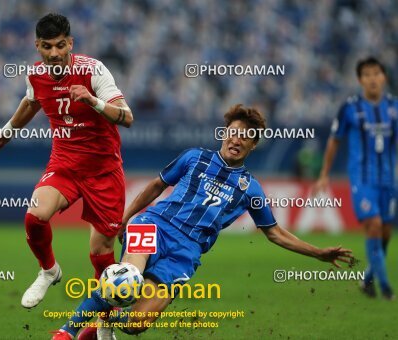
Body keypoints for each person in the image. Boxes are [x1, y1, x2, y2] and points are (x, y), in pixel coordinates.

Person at [51, 104, 353, 340]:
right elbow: (156, 186)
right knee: (126, 279)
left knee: (137, 323)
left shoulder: (251, 188)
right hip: (154, 224)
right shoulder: (194, 157)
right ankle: (67, 331)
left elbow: (274, 233)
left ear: (253, 146)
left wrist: (318, 253)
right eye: (233, 132)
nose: (238, 138)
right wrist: (126, 218)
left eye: (246, 137)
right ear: (224, 133)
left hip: (187, 251)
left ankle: (104, 323)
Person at [0, 13, 133, 309]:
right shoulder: (35, 75)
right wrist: (8, 130)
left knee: (101, 255)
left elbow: (127, 117)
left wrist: (93, 101)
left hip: (103, 170)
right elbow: (31, 101)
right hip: (64, 164)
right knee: (34, 217)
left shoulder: (94, 71)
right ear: (37, 45)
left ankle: (104, 326)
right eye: (48, 46)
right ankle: (49, 270)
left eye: (61, 45)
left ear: (71, 44)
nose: (55, 53)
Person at [314, 57, 396, 300]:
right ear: (360, 80)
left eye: (376, 73)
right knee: (374, 225)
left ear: (384, 77)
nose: (372, 78)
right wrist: (324, 174)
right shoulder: (350, 108)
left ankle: (368, 279)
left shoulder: (394, 107)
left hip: (389, 181)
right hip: (362, 180)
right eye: (367, 74)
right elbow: (334, 140)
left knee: (385, 233)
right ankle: (386, 288)